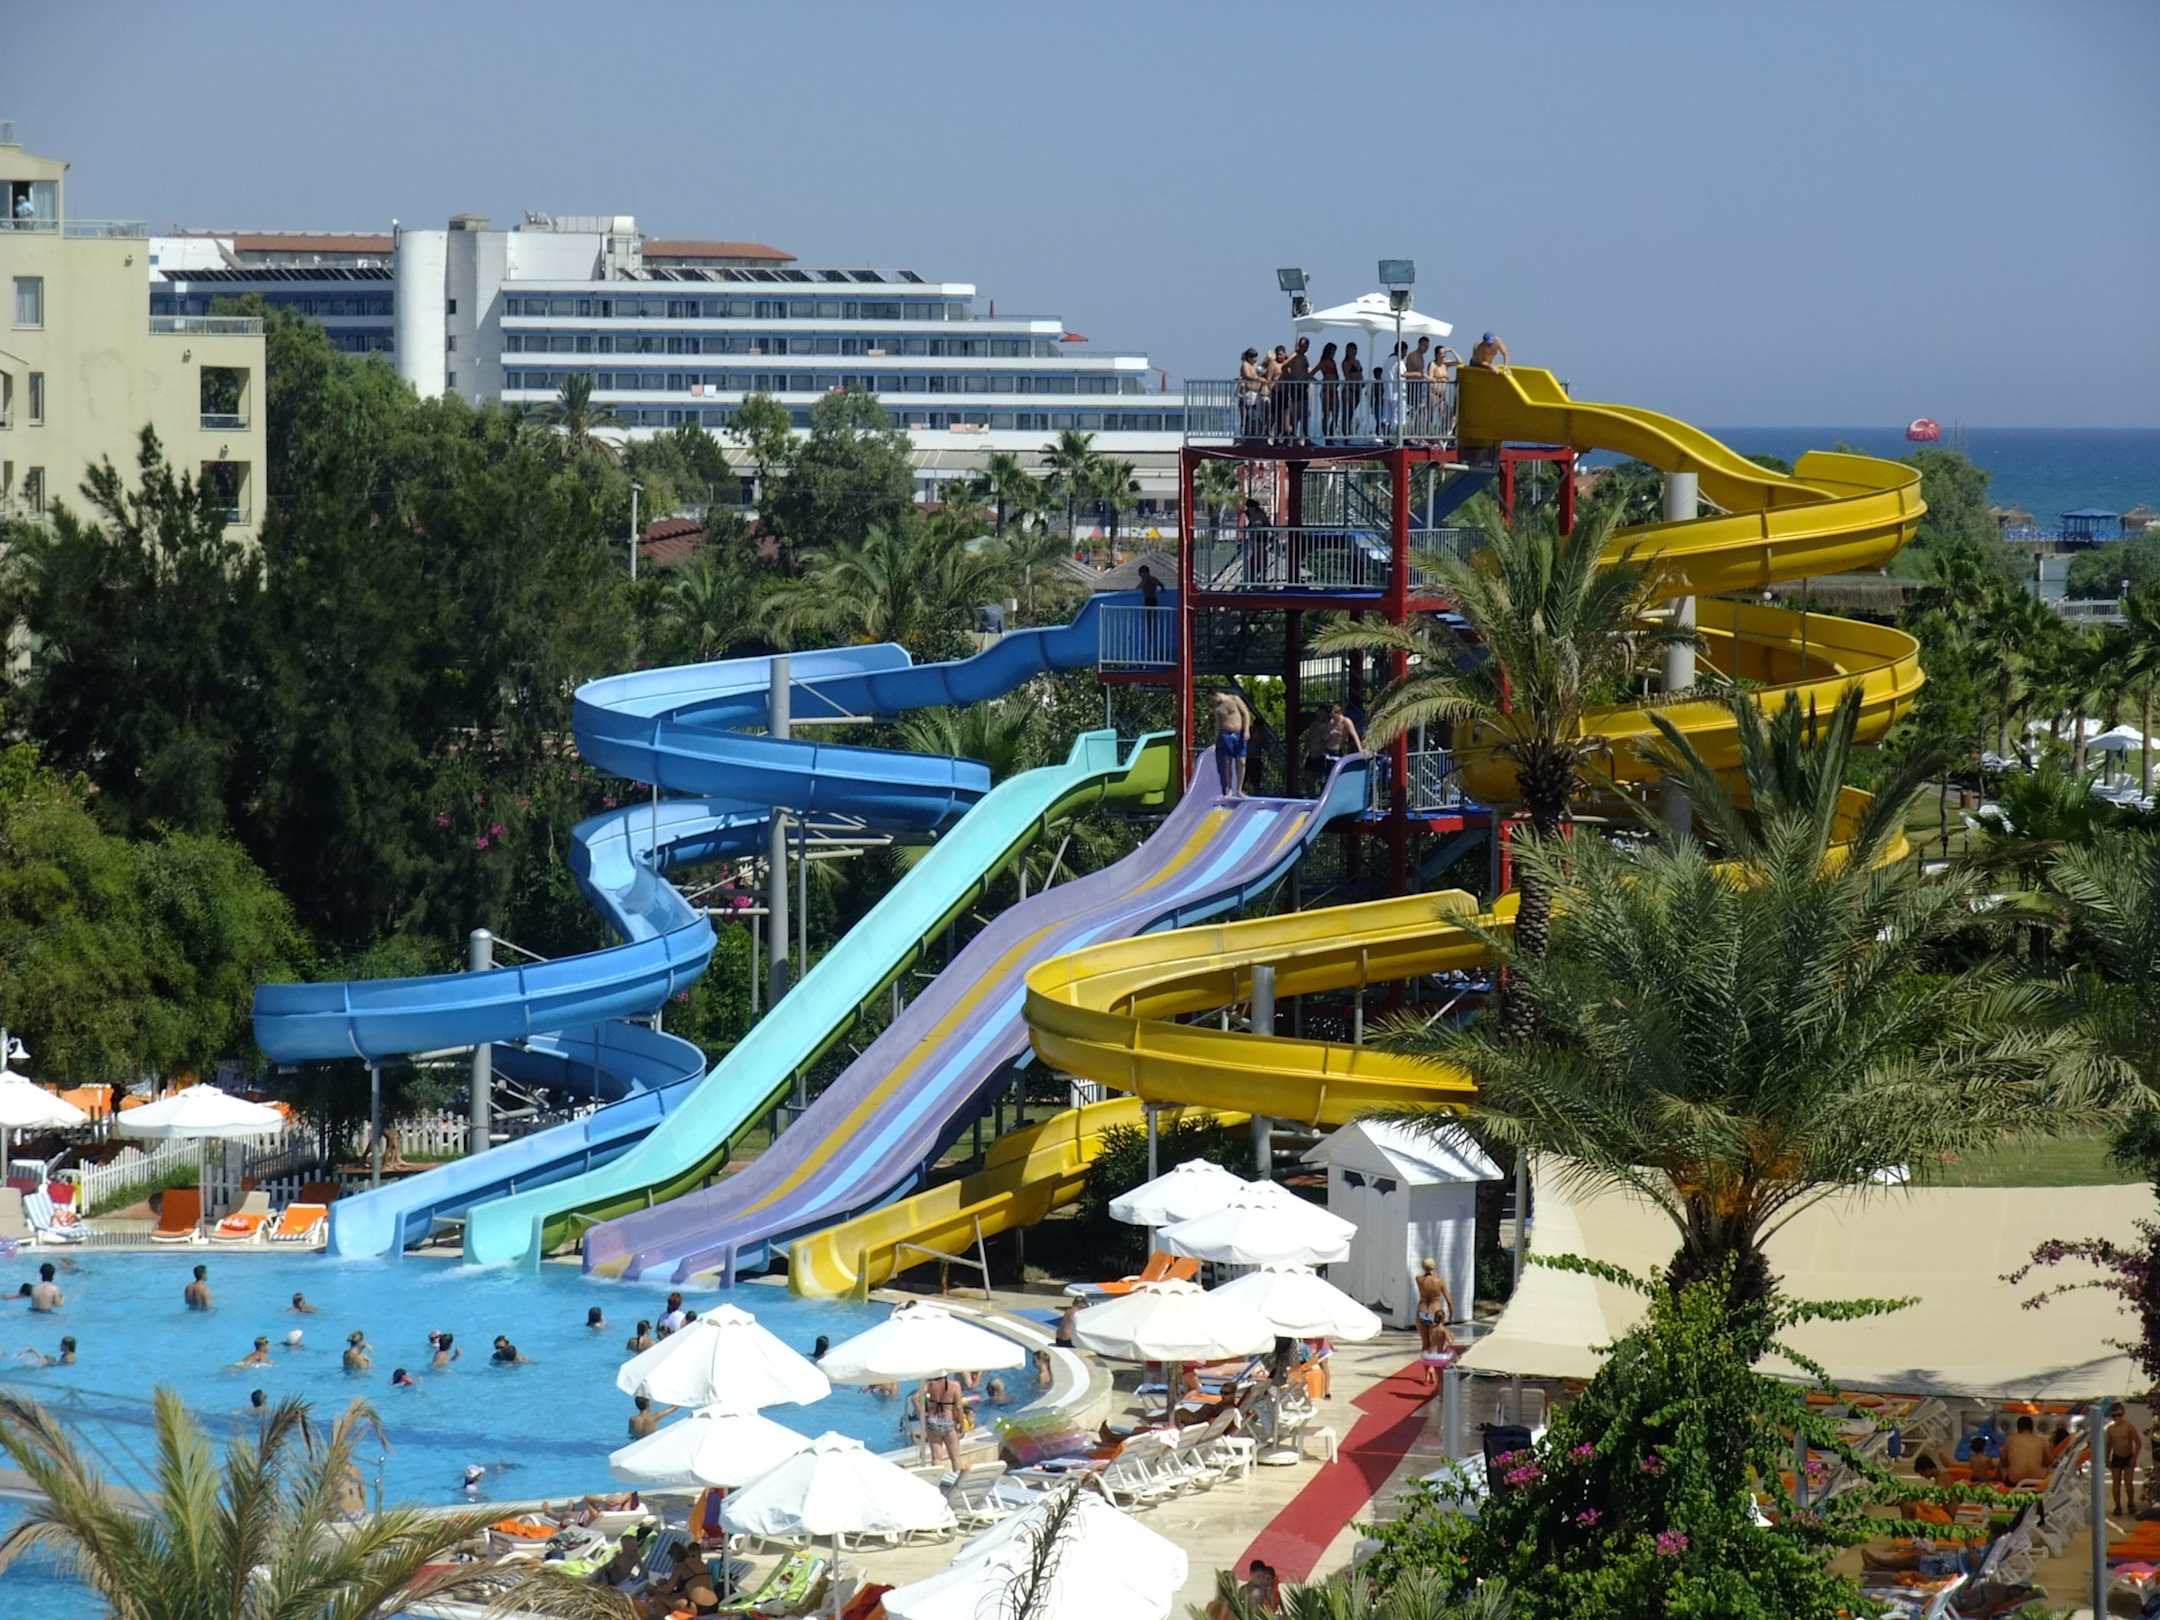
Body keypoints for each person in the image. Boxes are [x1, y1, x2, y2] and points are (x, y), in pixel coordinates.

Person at [1301, 703, 1364, 789]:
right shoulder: (1331, 722)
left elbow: (1354, 735)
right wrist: (1331, 733)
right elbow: (1325, 738)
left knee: (1335, 776)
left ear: (1338, 713)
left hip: (1337, 752)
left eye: (1333, 715)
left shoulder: (1346, 722)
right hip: (1327, 752)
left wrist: (1360, 750)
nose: (1332, 717)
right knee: (1324, 778)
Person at [1414, 1258, 1454, 1386]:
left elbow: (1423, 1278)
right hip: (1434, 1312)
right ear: (1434, 1266)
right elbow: (1449, 1300)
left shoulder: (1418, 1279)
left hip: (1422, 1312)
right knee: (1434, 1344)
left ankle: (1427, 1372)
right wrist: (1451, 1315)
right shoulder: (1439, 1281)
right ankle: (1431, 1367)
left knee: (1425, 1343)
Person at [920, 1371, 967, 1472]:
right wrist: (962, 1426)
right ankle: (957, 1478)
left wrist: (923, 1415)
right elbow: (959, 1407)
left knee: (936, 1458)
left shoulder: (929, 1385)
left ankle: (936, 1480)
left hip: (933, 1421)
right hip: (948, 1421)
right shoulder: (955, 1385)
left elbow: (915, 1399)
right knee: (955, 1457)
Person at [1212, 688, 1252, 799]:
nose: (1215, 701)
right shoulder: (1217, 708)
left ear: (1217, 694)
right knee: (1227, 762)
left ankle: (1239, 789)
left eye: (1214, 698)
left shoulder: (1235, 699)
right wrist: (1216, 739)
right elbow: (1218, 725)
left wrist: (1246, 730)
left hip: (1239, 733)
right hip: (1226, 735)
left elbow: (1245, 714)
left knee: (1241, 761)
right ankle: (1229, 789)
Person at [2110, 1403, 2142, 1514]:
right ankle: (2118, 1507)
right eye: (2114, 1416)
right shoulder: (2110, 1429)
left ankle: (2131, 1503)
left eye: (2119, 1415)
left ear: (2123, 1414)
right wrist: (2106, 1458)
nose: (2117, 1418)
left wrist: (2134, 1458)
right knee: (2116, 1484)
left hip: (2128, 1457)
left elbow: (2138, 1443)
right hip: (2116, 1458)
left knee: (2128, 1484)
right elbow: (2108, 1445)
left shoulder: (2129, 1427)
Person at [2000, 1414, 2050, 1484]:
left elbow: (2003, 1461)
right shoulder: (2042, 1441)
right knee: (2047, 1468)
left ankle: (2002, 1485)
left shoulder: (2010, 1439)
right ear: (2032, 1428)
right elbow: (2048, 1462)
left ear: (2018, 1428)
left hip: (2014, 1481)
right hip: (2037, 1481)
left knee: (2001, 1466)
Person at [1281, 336, 1314, 439]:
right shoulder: (1295, 355)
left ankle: (1305, 437)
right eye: (1302, 346)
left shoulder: (1304, 357)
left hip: (1304, 388)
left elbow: (1307, 371)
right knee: (1295, 414)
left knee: (1304, 414)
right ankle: (1292, 437)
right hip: (1296, 388)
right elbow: (1284, 366)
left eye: (1305, 347)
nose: (1304, 348)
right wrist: (1290, 378)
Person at [1236, 347, 1267, 438]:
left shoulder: (1255, 365)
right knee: (1248, 416)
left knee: (1255, 416)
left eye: (1256, 357)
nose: (1255, 359)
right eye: (1253, 357)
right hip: (1247, 393)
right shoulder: (1245, 364)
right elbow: (1248, 375)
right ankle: (1246, 436)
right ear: (1249, 357)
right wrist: (1259, 379)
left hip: (1255, 393)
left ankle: (1254, 434)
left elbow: (1262, 370)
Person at [1314, 341, 1341, 437]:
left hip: (1334, 390)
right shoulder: (1323, 362)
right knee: (1326, 415)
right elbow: (1311, 373)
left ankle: (1331, 433)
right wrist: (1318, 382)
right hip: (1326, 390)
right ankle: (1326, 435)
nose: (1334, 353)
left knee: (1336, 414)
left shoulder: (1333, 362)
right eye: (1332, 351)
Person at [1340, 342, 1364, 435]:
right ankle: (1345, 433)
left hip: (1358, 390)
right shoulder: (1346, 362)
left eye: (1353, 349)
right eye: (1349, 350)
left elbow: (1360, 374)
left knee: (1351, 413)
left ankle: (1348, 432)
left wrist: (1361, 382)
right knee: (1346, 413)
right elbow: (1347, 376)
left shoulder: (1357, 361)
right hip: (1349, 390)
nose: (1351, 352)